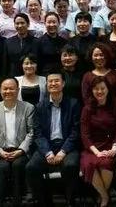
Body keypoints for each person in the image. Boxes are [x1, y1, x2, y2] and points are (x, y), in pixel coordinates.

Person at [26, 70, 82, 207]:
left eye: (56, 81)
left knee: (71, 165)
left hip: (67, 146)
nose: (53, 83)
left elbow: (75, 131)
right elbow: (38, 133)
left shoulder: (73, 104)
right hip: (47, 146)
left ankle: (70, 201)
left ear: (63, 84)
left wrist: (63, 151)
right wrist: (48, 152)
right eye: (50, 81)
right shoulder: (40, 106)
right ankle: (45, 202)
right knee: (31, 167)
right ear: (46, 85)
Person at [0, 78, 35, 207]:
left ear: (18, 90)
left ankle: (17, 202)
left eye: (11, 88)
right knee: (2, 167)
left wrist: (21, 150)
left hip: (20, 150)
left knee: (17, 166)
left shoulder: (28, 108)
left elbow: (31, 132)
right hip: (1, 150)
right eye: (5, 89)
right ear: (0, 90)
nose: (8, 91)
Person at [80, 76, 116, 207]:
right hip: (92, 148)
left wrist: (114, 147)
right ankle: (105, 197)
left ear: (108, 89)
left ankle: (101, 196)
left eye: (102, 88)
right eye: (96, 89)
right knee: (89, 164)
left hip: (110, 146)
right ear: (92, 91)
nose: (99, 91)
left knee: (106, 163)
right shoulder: (87, 109)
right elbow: (85, 135)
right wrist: (96, 152)